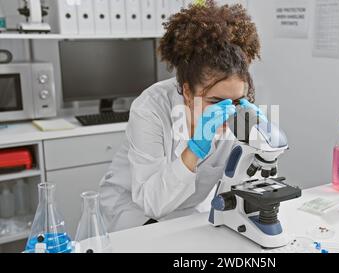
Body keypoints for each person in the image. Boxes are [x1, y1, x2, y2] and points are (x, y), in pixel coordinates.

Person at [99, 0, 264, 232]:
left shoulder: (239, 115)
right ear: (187, 91)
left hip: (188, 212)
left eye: (237, 101)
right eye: (216, 102)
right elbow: (152, 203)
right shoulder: (151, 108)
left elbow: (243, 183)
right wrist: (194, 151)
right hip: (133, 211)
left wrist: (258, 145)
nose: (228, 112)